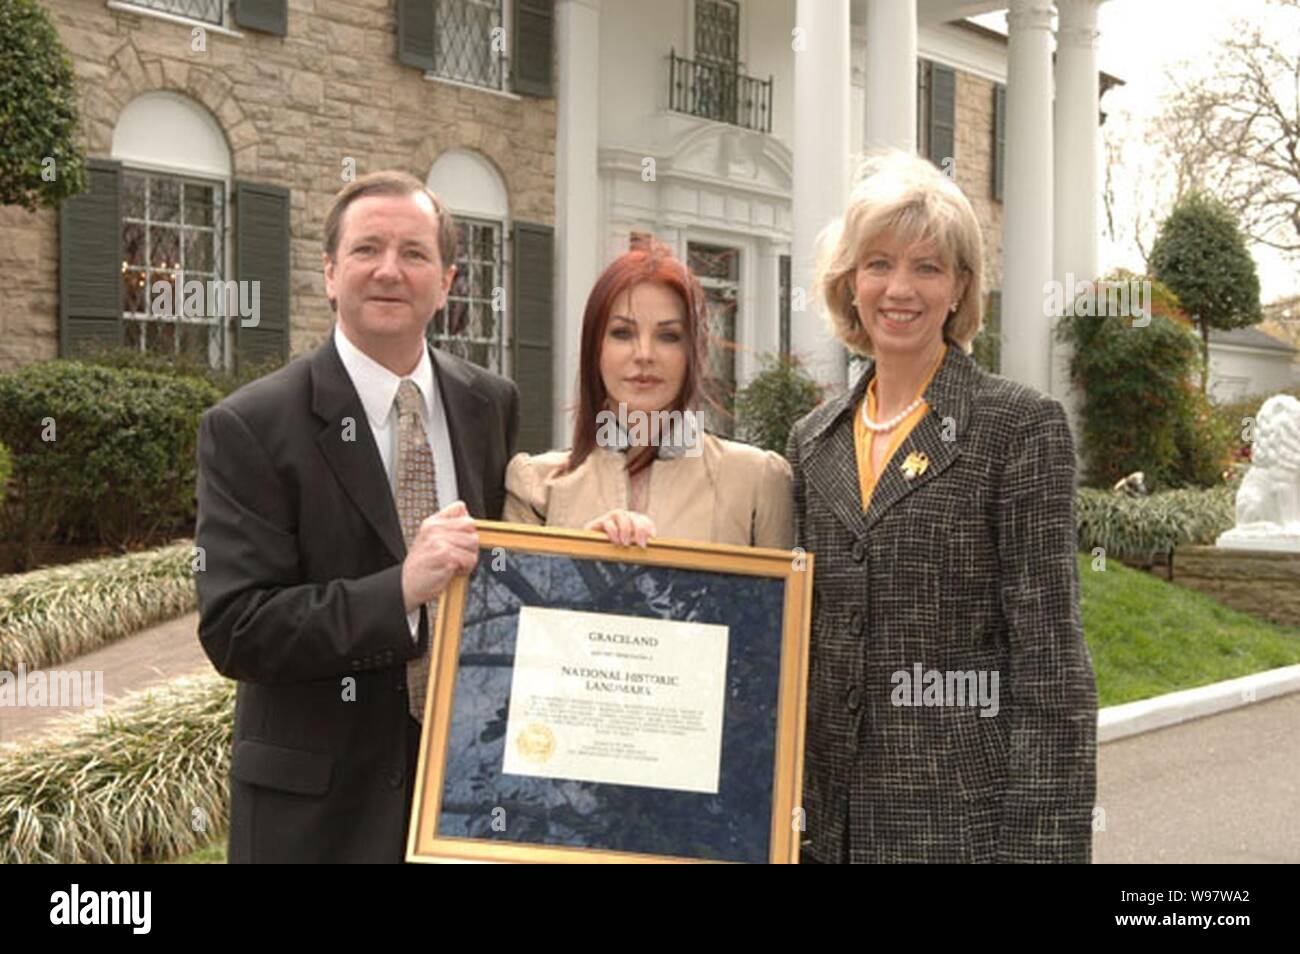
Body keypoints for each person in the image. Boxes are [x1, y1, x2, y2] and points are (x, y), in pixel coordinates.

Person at [194, 171, 518, 863]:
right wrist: (400, 588)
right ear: (330, 274)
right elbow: (238, 628)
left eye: (415, 253)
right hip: (317, 819)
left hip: (463, 797)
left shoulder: (489, 404)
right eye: (368, 249)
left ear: (448, 281)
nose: (389, 271)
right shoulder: (252, 426)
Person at [785, 153, 1097, 863]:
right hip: (827, 833)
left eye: (928, 267)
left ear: (959, 288)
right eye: (879, 264)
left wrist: (1043, 850)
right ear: (849, 282)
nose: (901, 288)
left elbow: (1051, 666)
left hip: (963, 832)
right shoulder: (813, 441)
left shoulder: (1018, 427)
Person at [504, 241, 792, 550]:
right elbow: (510, 595)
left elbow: (787, 597)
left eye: (668, 336)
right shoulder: (536, 485)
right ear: (595, 348)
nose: (644, 354)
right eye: (622, 333)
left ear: (695, 351)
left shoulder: (757, 480)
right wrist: (582, 562)